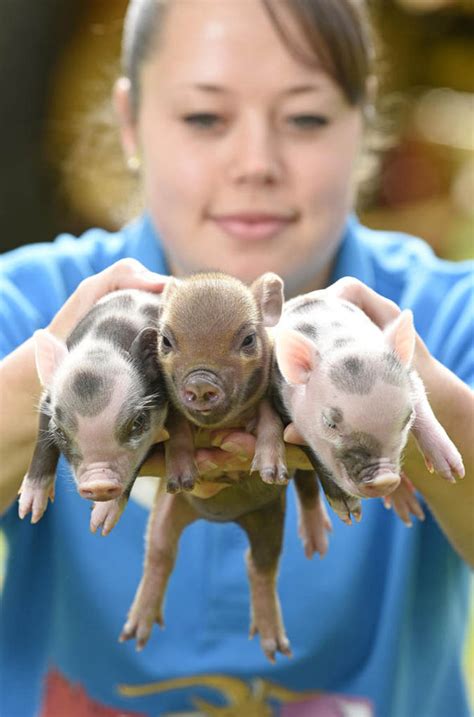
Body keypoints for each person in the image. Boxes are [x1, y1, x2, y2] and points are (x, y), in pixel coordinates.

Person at [0, 1, 472, 715]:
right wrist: (37, 399)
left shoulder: (441, 318)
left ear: (364, 122)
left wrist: (410, 401)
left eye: (306, 118)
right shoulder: (32, 305)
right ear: (132, 122)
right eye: (204, 119)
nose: (255, 163)